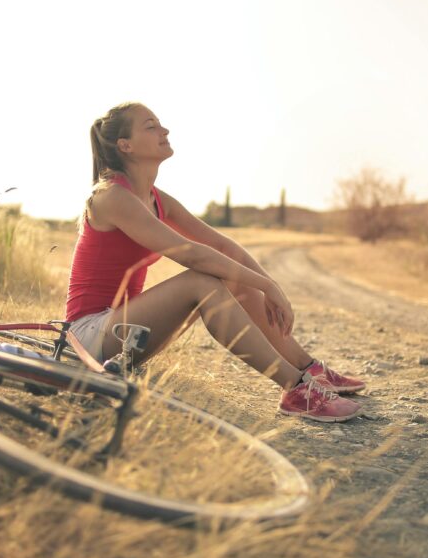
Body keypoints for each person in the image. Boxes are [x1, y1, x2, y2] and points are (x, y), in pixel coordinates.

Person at [65, 102, 365, 422]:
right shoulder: (111, 196)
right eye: (151, 126)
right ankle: (295, 388)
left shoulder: (155, 198)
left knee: (234, 276)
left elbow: (220, 244)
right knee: (202, 280)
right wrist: (265, 284)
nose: (164, 130)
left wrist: (268, 285)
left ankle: (309, 370)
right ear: (125, 146)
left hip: (127, 334)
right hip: (88, 336)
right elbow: (190, 253)